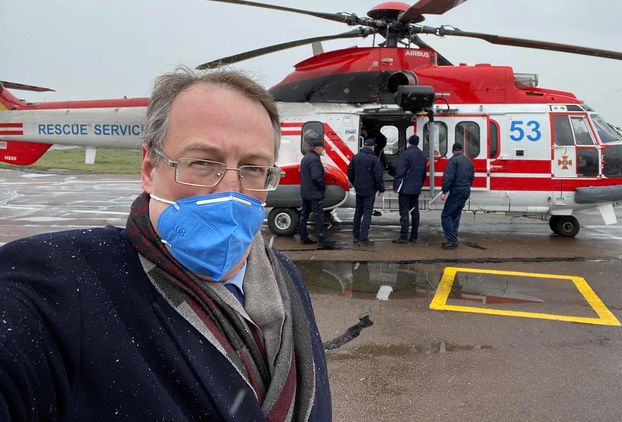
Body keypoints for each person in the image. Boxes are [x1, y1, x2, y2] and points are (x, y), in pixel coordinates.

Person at [0, 68, 332, 421]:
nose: (230, 191)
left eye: (253, 168)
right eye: (202, 162)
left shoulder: (286, 279)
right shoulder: (61, 286)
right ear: (148, 168)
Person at [298, 129, 336, 250]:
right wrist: (322, 186)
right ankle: (321, 241)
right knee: (319, 216)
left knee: (304, 216)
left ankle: (303, 238)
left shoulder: (306, 157)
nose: (323, 150)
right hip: (314, 193)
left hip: (305, 192)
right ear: (318, 148)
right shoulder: (315, 159)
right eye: (322, 148)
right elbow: (316, 177)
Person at [347, 138, 385, 246]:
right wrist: (381, 189)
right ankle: (363, 238)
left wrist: (355, 183)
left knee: (358, 212)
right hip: (370, 190)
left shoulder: (356, 157)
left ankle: (356, 236)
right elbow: (378, 176)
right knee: (367, 213)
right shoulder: (374, 159)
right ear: (372, 147)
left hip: (359, 189)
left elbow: (349, 172)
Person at [392, 135, 427, 244]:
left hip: (405, 188)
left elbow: (400, 171)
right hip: (416, 189)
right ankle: (414, 236)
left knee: (404, 212)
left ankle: (403, 237)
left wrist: (396, 185)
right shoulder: (422, 155)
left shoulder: (406, 154)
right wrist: (419, 185)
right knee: (415, 212)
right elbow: (424, 173)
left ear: (409, 142)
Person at [440, 142, 475, 249]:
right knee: (455, 215)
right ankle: (453, 238)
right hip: (466, 190)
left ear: (452, 150)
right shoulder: (468, 161)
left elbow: (449, 177)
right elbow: (472, 176)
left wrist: (444, 191)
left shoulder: (453, 161)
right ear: (461, 150)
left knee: (445, 216)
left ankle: (451, 240)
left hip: (457, 190)